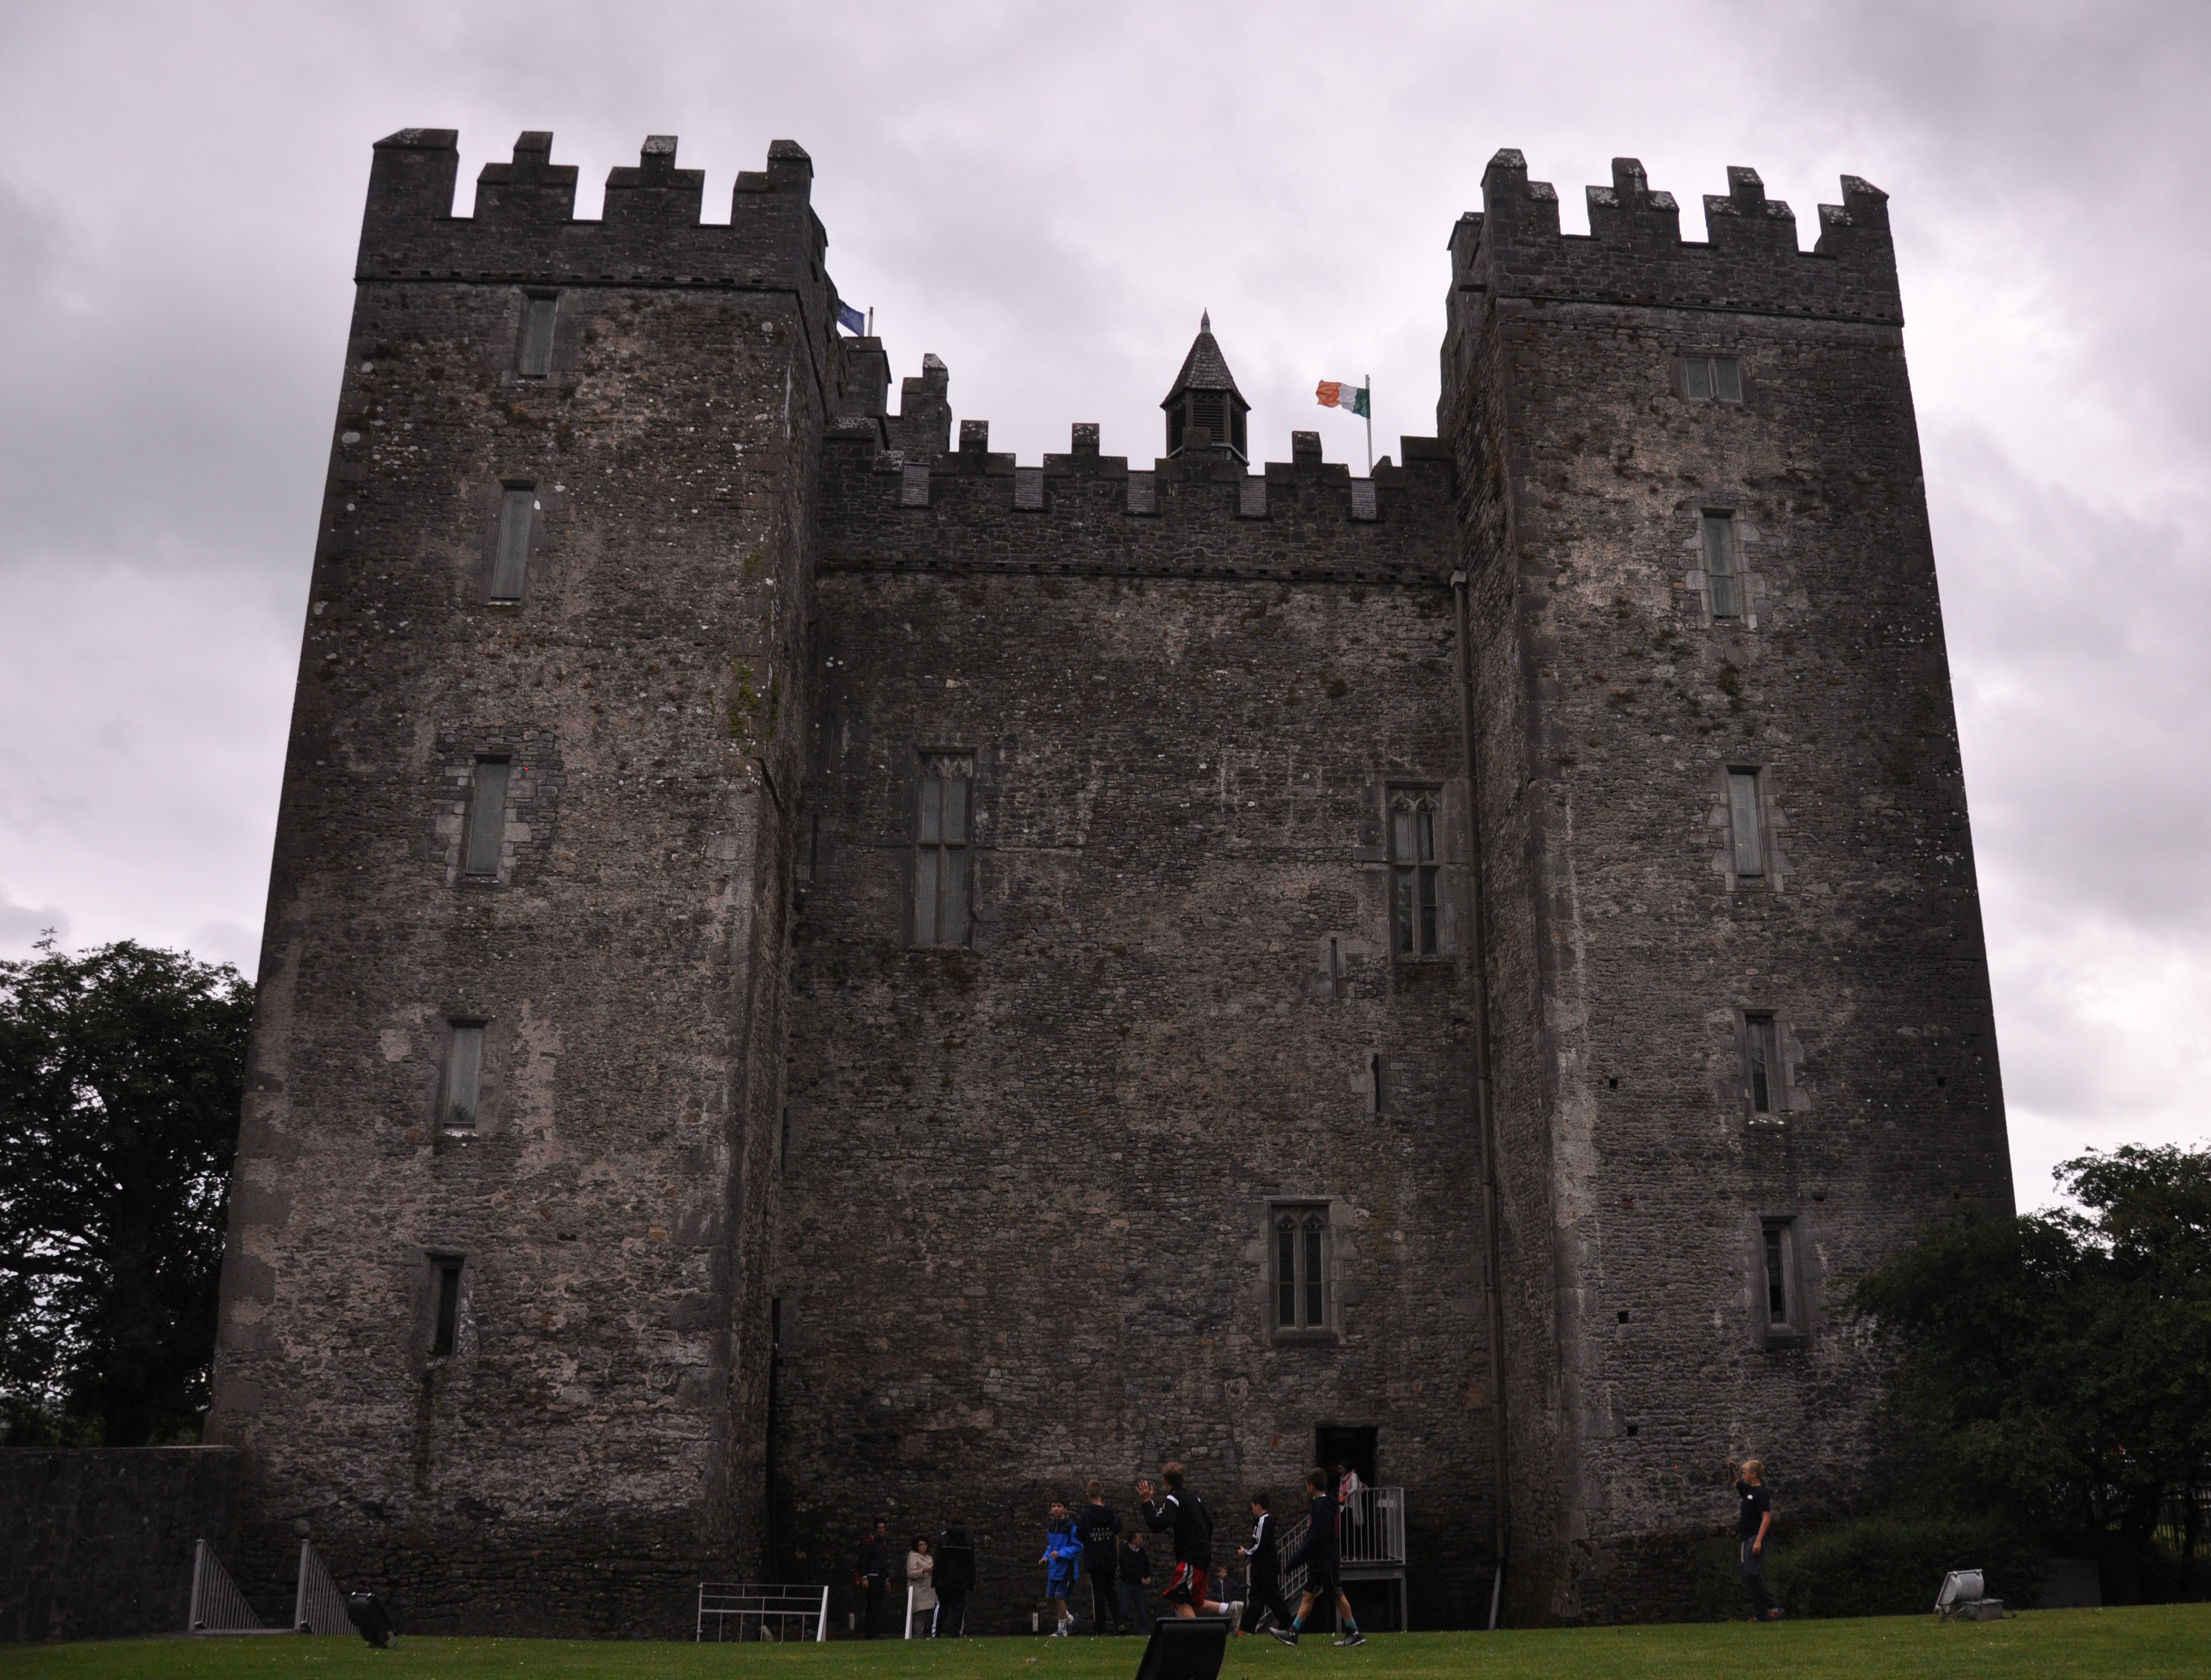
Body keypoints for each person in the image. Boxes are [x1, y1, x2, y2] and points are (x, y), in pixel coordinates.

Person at [1270, 1466, 1363, 1647]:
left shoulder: (1322, 1508)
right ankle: (1293, 1632)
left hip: (1325, 1561)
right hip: (1320, 1561)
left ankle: (1354, 1631)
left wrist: (1295, 1561)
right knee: (1308, 1595)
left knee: (1338, 1594)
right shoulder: (1323, 1505)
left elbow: (1315, 1539)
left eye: (1307, 1484)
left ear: (1311, 1486)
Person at [1137, 1462, 1241, 1623]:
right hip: (1203, 1554)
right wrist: (1203, 1543)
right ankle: (1229, 1609)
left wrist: (1147, 1501)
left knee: (1180, 1598)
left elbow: (1157, 1524)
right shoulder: (1194, 1498)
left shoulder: (1173, 1498)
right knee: (1195, 1602)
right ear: (1184, 1479)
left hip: (1191, 1556)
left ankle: (1197, 1635)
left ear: (1165, 1481)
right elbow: (1209, 1524)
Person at [1728, 1457, 1782, 1623]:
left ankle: (1773, 1606)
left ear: (1753, 1475)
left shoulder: (1761, 1493)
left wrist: (1759, 1540)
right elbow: (1734, 1482)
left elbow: (1767, 1517)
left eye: (1745, 1473)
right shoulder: (1747, 1490)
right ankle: (1760, 1614)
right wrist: (1731, 1469)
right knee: (1747, 1576)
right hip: (1746, 1538)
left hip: (1756, 1537)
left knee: (1752, 1573)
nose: (1743, 1475)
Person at [1237, 1492, 1293, 1636]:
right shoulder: (1261, 1522)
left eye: (1253, 1506)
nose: (1252, 1509)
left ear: (1258, 1506)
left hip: (1265, 1569)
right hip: (1262, 1569)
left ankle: (1287, 1625)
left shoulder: (1264, 1521)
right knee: (1257, 1598)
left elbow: (1259, 1546)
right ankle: (1247, 1628)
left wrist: (1246, 1552)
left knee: (1273, 1598)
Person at [1079, 1479, 1123, 1633]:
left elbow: (1080, 1535)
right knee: (1112, 1592)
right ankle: (1119, 1624)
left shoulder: (1086, 1515)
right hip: (1109, 1557)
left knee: (1098, 1595)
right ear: (1102, 1493)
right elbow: (1117, 1530)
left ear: (1088, 1495)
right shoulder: (1111, 1513)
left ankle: (1101, 1629)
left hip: (1094, 1559)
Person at [1041, 1498, 1082, 1636]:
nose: (1056, 1509)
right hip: (1054, 1568)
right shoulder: (1051, 1526)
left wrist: (1060, 1554)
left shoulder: (1071, 1526)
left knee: (1059, 1597)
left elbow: (1078, 1546)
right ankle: (1069, 1618)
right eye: (1054, 1506)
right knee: (1051, 1597)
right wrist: (1046, 1556)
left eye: (1059, 1506)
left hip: (1066, 1569)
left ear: (1065, 1509)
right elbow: (1051, 1546)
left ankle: (1062, 1630)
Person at [934, 1520, 976, 1637]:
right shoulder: (968, 1540)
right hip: (961, 1581)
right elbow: (971, 1564)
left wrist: (935, 1582)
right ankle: (956, 1634)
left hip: (944, 1581)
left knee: (942, 1607)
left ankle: (937, 1633)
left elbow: (938, 1561)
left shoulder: (943, 1538)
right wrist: (970, 1582)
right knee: (958, 1608)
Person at [1117, 1524, 1154, 1635]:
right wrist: (1140, 1578)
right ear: (1133, 1540)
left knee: (1143, 1610)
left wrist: (1148, 1576)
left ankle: (1143, 1632)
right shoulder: (1125, 1553)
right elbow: (1127, 1569)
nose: (1142, 1540)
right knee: (1123, 1609)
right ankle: (1120, 1631)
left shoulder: (1141, 1552)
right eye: (1139, 1538)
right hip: (1127, 1584)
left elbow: (1146, 1566)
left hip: (1139, 1586)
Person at [857, 1518, 891, 1639]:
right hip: (871, 1578)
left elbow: (884, 1563)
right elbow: (863, 1560)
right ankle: (870, 1633)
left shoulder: (883, 1544)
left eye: (883, 1528)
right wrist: (864, 1577)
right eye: (880, 1528)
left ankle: (874, 1631)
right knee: (872, 1605)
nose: (882, 1530)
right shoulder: (869, 1542)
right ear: (876, 1529)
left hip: (880, 1579)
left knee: (877, 1606)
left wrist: (886, 1579)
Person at [906, 1535, 937, 1638]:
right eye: (921, 1545)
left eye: (925, 1544)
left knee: (930, 1616)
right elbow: (911, 1574)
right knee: (920, 1615)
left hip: (929, 1591)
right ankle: (918, 1636)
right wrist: (923, 1571)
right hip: (919, 1591)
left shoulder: (929, 1557)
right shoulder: (913, 1557)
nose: (924, 1547)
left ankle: (930, 1635)